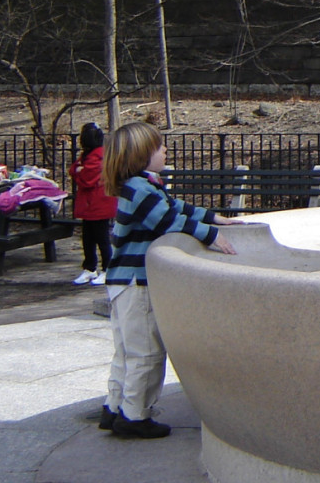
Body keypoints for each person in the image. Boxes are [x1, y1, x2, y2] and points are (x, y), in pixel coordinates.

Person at [99, 121, 239, 439]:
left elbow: (175, 207)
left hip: (123, 281)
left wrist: (212, 216)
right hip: (137, 284)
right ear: (141, 155)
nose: (165, 150)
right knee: (146, 351)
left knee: (126, 350)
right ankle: (134, 416)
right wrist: (211, 234)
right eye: (159, 147)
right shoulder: (139, 189)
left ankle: (114, 407)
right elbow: (166, 220)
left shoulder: (143, 186)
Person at [70, 123, 115, 286]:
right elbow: (74, 169)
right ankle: (90, 268)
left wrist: (79, 171)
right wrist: (79, 170)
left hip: (98, 203)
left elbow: (87, 179)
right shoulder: (89, 155)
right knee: (88, 238)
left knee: (102, 238)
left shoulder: (98, 156)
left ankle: (107, 269)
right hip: (91, 204)